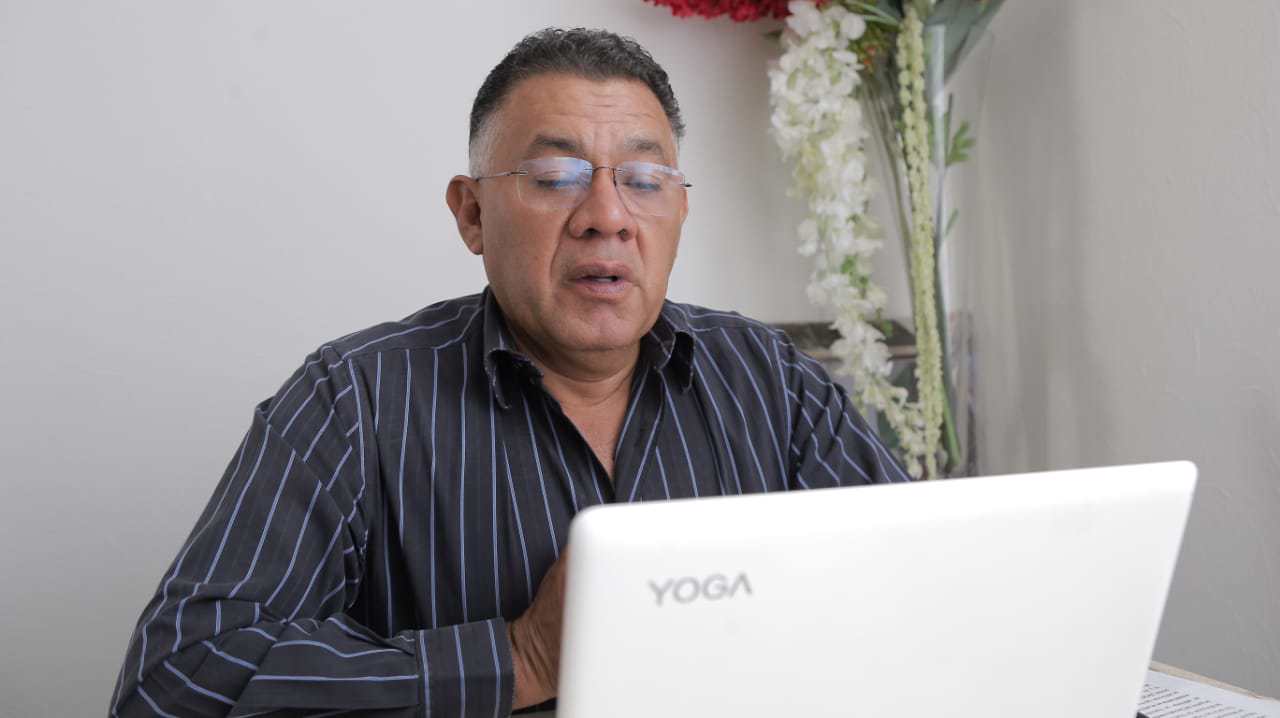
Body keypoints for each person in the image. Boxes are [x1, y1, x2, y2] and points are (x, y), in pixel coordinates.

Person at [109, 27, 911, 718]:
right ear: (472, 214)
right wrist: (521, 658)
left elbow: (921, 593)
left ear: (679, 211)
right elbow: (173, 684)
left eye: (643, 181)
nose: (607, 217)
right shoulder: (353, 401)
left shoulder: (771, 381)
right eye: (556, 178)